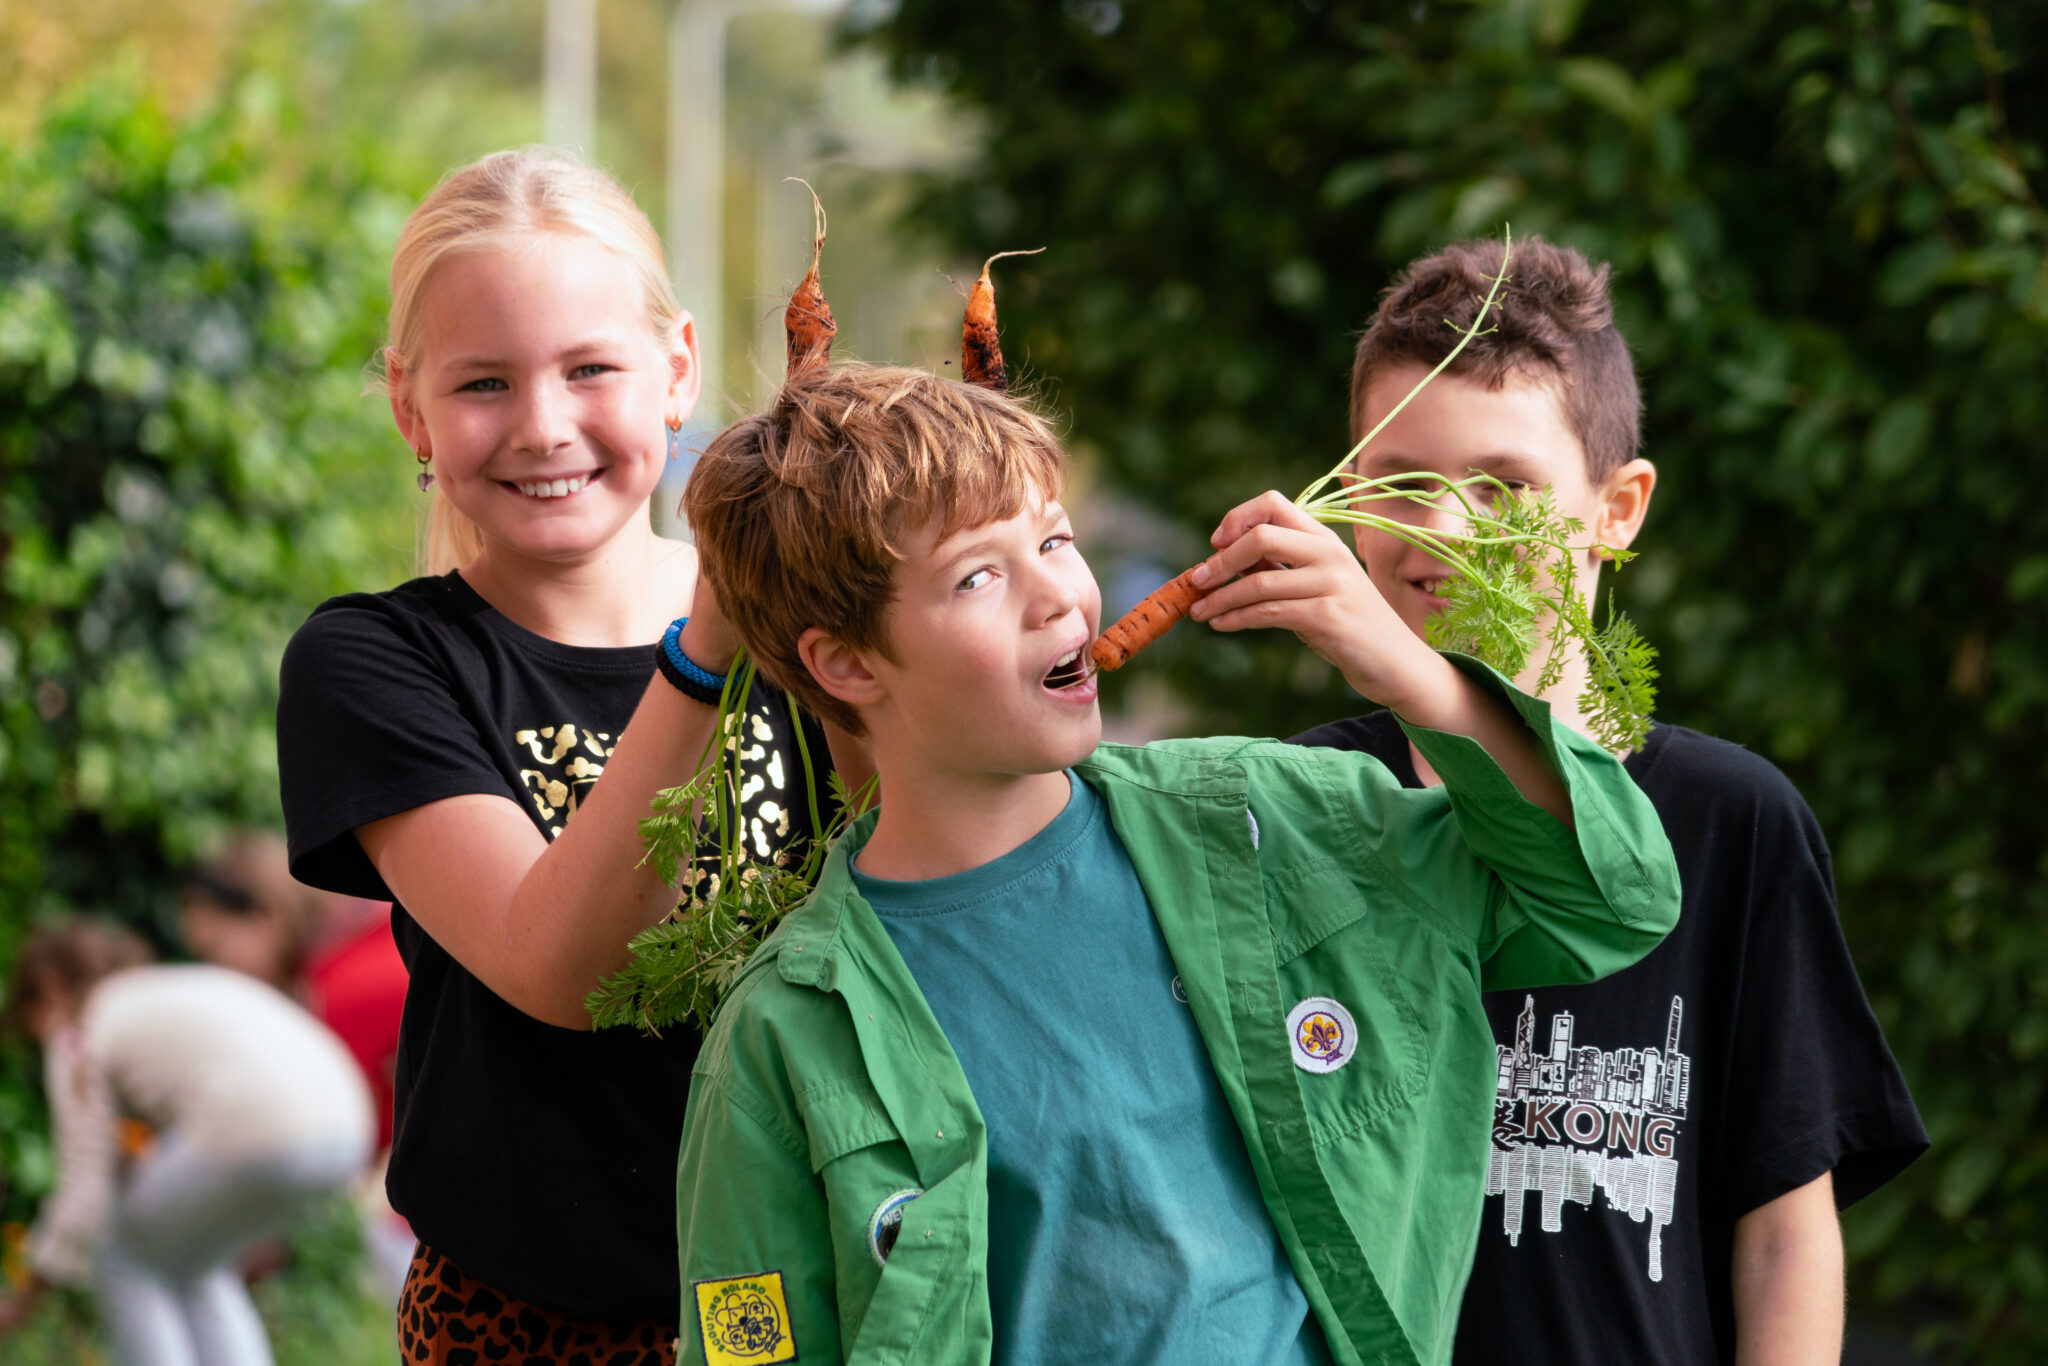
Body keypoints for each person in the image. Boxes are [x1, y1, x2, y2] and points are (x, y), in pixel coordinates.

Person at [669, 362, 1682, 1366]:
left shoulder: (1276, 822)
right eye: (977, 576)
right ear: (846, 662)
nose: (1056, 596)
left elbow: (1611, 900)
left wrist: (1415, 678)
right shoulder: (786, 1038)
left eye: (1053, 540)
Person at [1289, 235, 1928, 1365]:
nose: (1445, 527)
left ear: (1617, 508)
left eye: (1505, 484)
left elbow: (1784, 1235)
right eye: (1402, 483)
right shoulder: (1298, 805)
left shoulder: (1731, 820)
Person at [275, 148, 843, 1364]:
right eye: (484, 382)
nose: (542, 426)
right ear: (410, 408)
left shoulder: (807, 624)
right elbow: (565, 969)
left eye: (590, 368)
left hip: (822, 1283)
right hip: (532, 1325)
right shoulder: (374, 660)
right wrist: (706, 655)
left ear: (676, 368)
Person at [0, 919, 373, 1366]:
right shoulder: (160, 991)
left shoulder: (79, 1028)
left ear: (49, 990)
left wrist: (22, 1303)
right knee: (195, 1260)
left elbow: (85, 1196)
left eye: (32, 1022)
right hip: (346, 1129)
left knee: (121, 1252)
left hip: (257, 1131)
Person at [178, 830, 414, 1302]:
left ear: (264, 916)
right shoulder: (375, 924)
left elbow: (346, 1143)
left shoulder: (335, 993)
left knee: (391, 1238)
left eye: (213, 949)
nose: (217, 975)